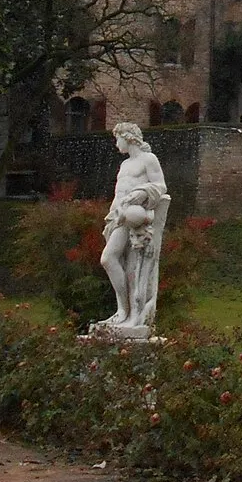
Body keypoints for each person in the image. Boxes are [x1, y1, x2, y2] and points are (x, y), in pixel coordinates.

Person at [96, 122, 170, 335]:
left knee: (122, 264)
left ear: (128, 138)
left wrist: (143, 192)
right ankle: (122, 311)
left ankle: (132, 314)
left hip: (137, 217)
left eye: (117, 139)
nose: (116, 144)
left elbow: (160, 186)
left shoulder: (148, 159)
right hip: (119, 216)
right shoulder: (125, 165)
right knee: (110, 259)